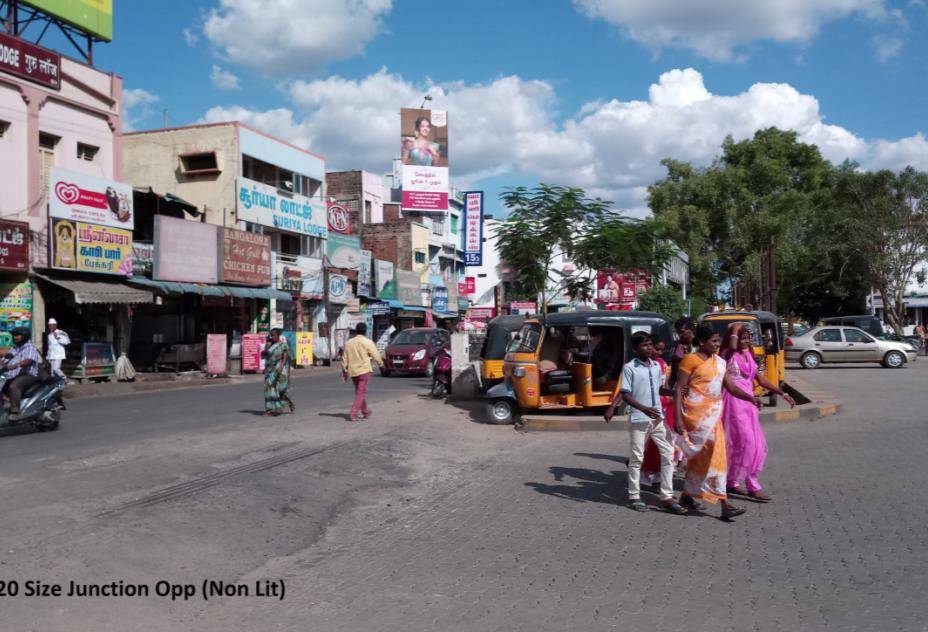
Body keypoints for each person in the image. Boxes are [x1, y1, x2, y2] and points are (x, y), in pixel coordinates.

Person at [674, 325, 756, 521]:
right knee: (715, 458)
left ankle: (687, 495)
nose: (718, 345)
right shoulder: (690, 360)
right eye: (714, 341)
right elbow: (679, 390)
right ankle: (725, 505)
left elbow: (731, 387)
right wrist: (678, 418)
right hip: (696, 416)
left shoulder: (719, 362)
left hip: (713, 416)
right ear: (702, 342)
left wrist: (750, 397)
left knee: (704, 458)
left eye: (719, 341)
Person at [605, 332, 687, 515]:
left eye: (650, 344)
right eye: (645, 345)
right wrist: (642, 408)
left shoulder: (657, 366)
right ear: (635, 349)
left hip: (658, 419)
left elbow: (659, 389)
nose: (649, 348)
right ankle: (634, 496)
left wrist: (673, 392)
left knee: (668, 454)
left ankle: (667, 496)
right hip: (639, 419)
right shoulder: (629, 368)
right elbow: (625, 393)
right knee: (637, 458)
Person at [721, 323, 795, 502]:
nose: (746, 341)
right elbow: (731, 347)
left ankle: (731, 481)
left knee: (752, 444)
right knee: (747, 443)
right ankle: (752, 485)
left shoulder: (749, 354)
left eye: (748, 337)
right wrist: (736, 328)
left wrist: (782, 393)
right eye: (742, 337)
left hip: (750, 403)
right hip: (734, 401)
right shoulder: (727, 355)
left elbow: (760, 379)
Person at [639, 338, 682, 486]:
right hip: (647, 408)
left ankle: (660, 477)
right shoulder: (638, 366)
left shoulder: (661, 364)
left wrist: (673, 394)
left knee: (666, 443)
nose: (657, 352)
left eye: (661, 350)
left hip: (664, 407)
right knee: (652, 444)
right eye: (655, 348)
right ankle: (650, 474)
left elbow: (663, 386)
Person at [342, 323, 384, 421]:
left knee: (359, 392)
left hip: (353, 371)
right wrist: (381, 364)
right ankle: (353, 413)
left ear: (356, 331)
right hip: (364, 370)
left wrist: (344, 370)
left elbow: (344, 358)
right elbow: (376, 355)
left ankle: (365, 411)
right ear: (365, 331)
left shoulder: (349, 343)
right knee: (361, 393)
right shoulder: (367, 342)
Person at [1, 327, 42, 416]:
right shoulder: (15, 348)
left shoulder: (30, 348)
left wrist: (15, 365)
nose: (15, 337)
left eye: (17, 335)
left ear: (24, 336)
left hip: (27, 375)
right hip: (12, 374)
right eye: (14, 335)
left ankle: (15, 411)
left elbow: (28, 361)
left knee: (14, 386)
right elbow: (6, 358)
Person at [261, 329, 293, 416]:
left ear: (278, 335)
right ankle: (270, 410)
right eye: (271, 335)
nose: (272, 337)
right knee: (269, 389)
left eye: (274, 335)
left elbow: (285, 357)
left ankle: (287, 401)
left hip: (280, 370)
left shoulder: (283, 345)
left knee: (281, 389)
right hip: (270, 370)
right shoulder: (269, 346)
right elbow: (263, 355)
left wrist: (281, 366)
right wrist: (267, 347)